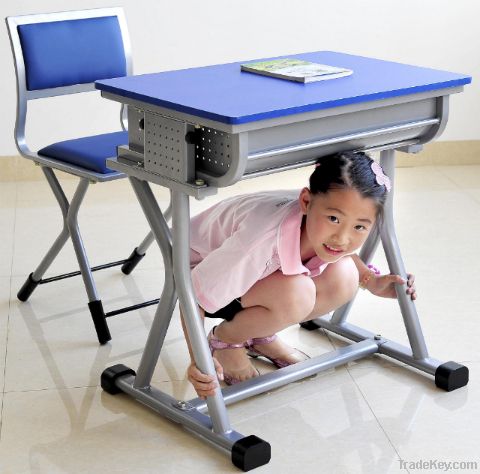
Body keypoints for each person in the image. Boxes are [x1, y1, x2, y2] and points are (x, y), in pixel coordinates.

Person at [182, 151, 416, 399]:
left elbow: (341, 254)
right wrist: (198, 359)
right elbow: (194, 296)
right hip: (204, 270)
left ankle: (258, 334)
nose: (342, 238)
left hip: (254, 276)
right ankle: (226, 340)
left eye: (359, 226)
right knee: (297, 294)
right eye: (334, 219)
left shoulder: (318, 222)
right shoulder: (259, 243)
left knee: (345, 278)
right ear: (306, 201)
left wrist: (371, 280)